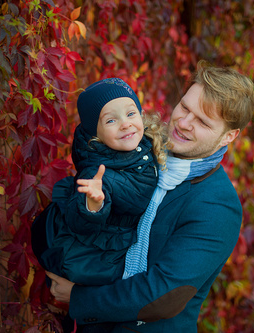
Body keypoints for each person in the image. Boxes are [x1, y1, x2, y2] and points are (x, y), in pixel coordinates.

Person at [45, 61, 254, 332]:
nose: (184, 123)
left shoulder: (217, 206)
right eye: (185, 107)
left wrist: (77, 297)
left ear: (229, 136)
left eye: (202, 121)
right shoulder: (140, 152)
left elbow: (163, 295)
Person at [32, 78, 169, 290]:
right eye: (110, 121)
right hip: (102, 252)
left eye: (131, 113)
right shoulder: (96, 173)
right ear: (96, 133)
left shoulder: (144, 143)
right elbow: (80, 222)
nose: (125, 123)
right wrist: (93, 204)